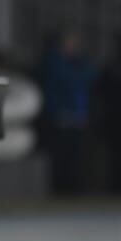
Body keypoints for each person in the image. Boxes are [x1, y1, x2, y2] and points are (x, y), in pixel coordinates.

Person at [37, 30, 97, 195]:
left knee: (76, 157)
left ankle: (73, 187)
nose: (74, 46)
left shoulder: (79, 63)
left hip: (77, 117)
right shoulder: (54, 62)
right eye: (70, 42)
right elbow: (62, 84)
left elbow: (90, 78)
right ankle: (58, 188)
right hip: (59, 117)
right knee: (59, 156)